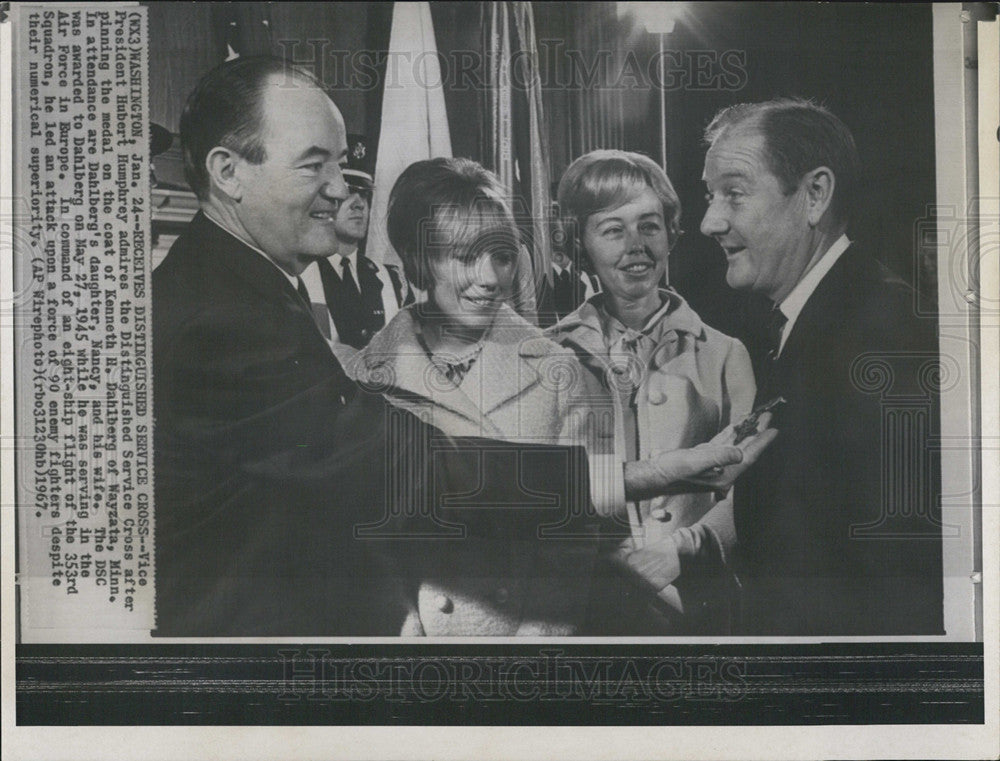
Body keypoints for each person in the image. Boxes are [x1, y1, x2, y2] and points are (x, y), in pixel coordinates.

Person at [151, 56, 763, 636]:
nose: (341, 190)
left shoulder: (235, 288)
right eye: (315, 166)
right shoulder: (225, 316)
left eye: (341, 163)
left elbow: (575, 558)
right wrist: (641, 474)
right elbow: (404, 475)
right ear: (227, 172)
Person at [349, 157, 775, 635]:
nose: (490, 278)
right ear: (418, 258)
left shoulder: (559, 369)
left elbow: (580, 547)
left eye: (504, 256)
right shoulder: (367, 376)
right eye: (465, 256)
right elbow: (364, 543)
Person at [699, 97, 943, 635]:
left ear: (815, 195)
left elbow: (892, 577)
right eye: (710, 196)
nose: (709, 221)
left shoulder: (882, 334)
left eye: (734, 194)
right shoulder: (822, 316)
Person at [545, 150, 758, 633]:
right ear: (581, 243)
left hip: (699, 608)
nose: (635, 246)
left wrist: (686, 549)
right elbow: (542, 490)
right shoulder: (546, 355)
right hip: (584, 611)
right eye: (612, 230)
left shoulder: (725, 354)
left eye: (650, 226)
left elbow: (755, 490)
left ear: (672, 234)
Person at [297, 134, 413, 364]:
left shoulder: (391, 279)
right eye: (349, 192)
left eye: (365, 195)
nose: (359, 203)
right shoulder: (301, 276)